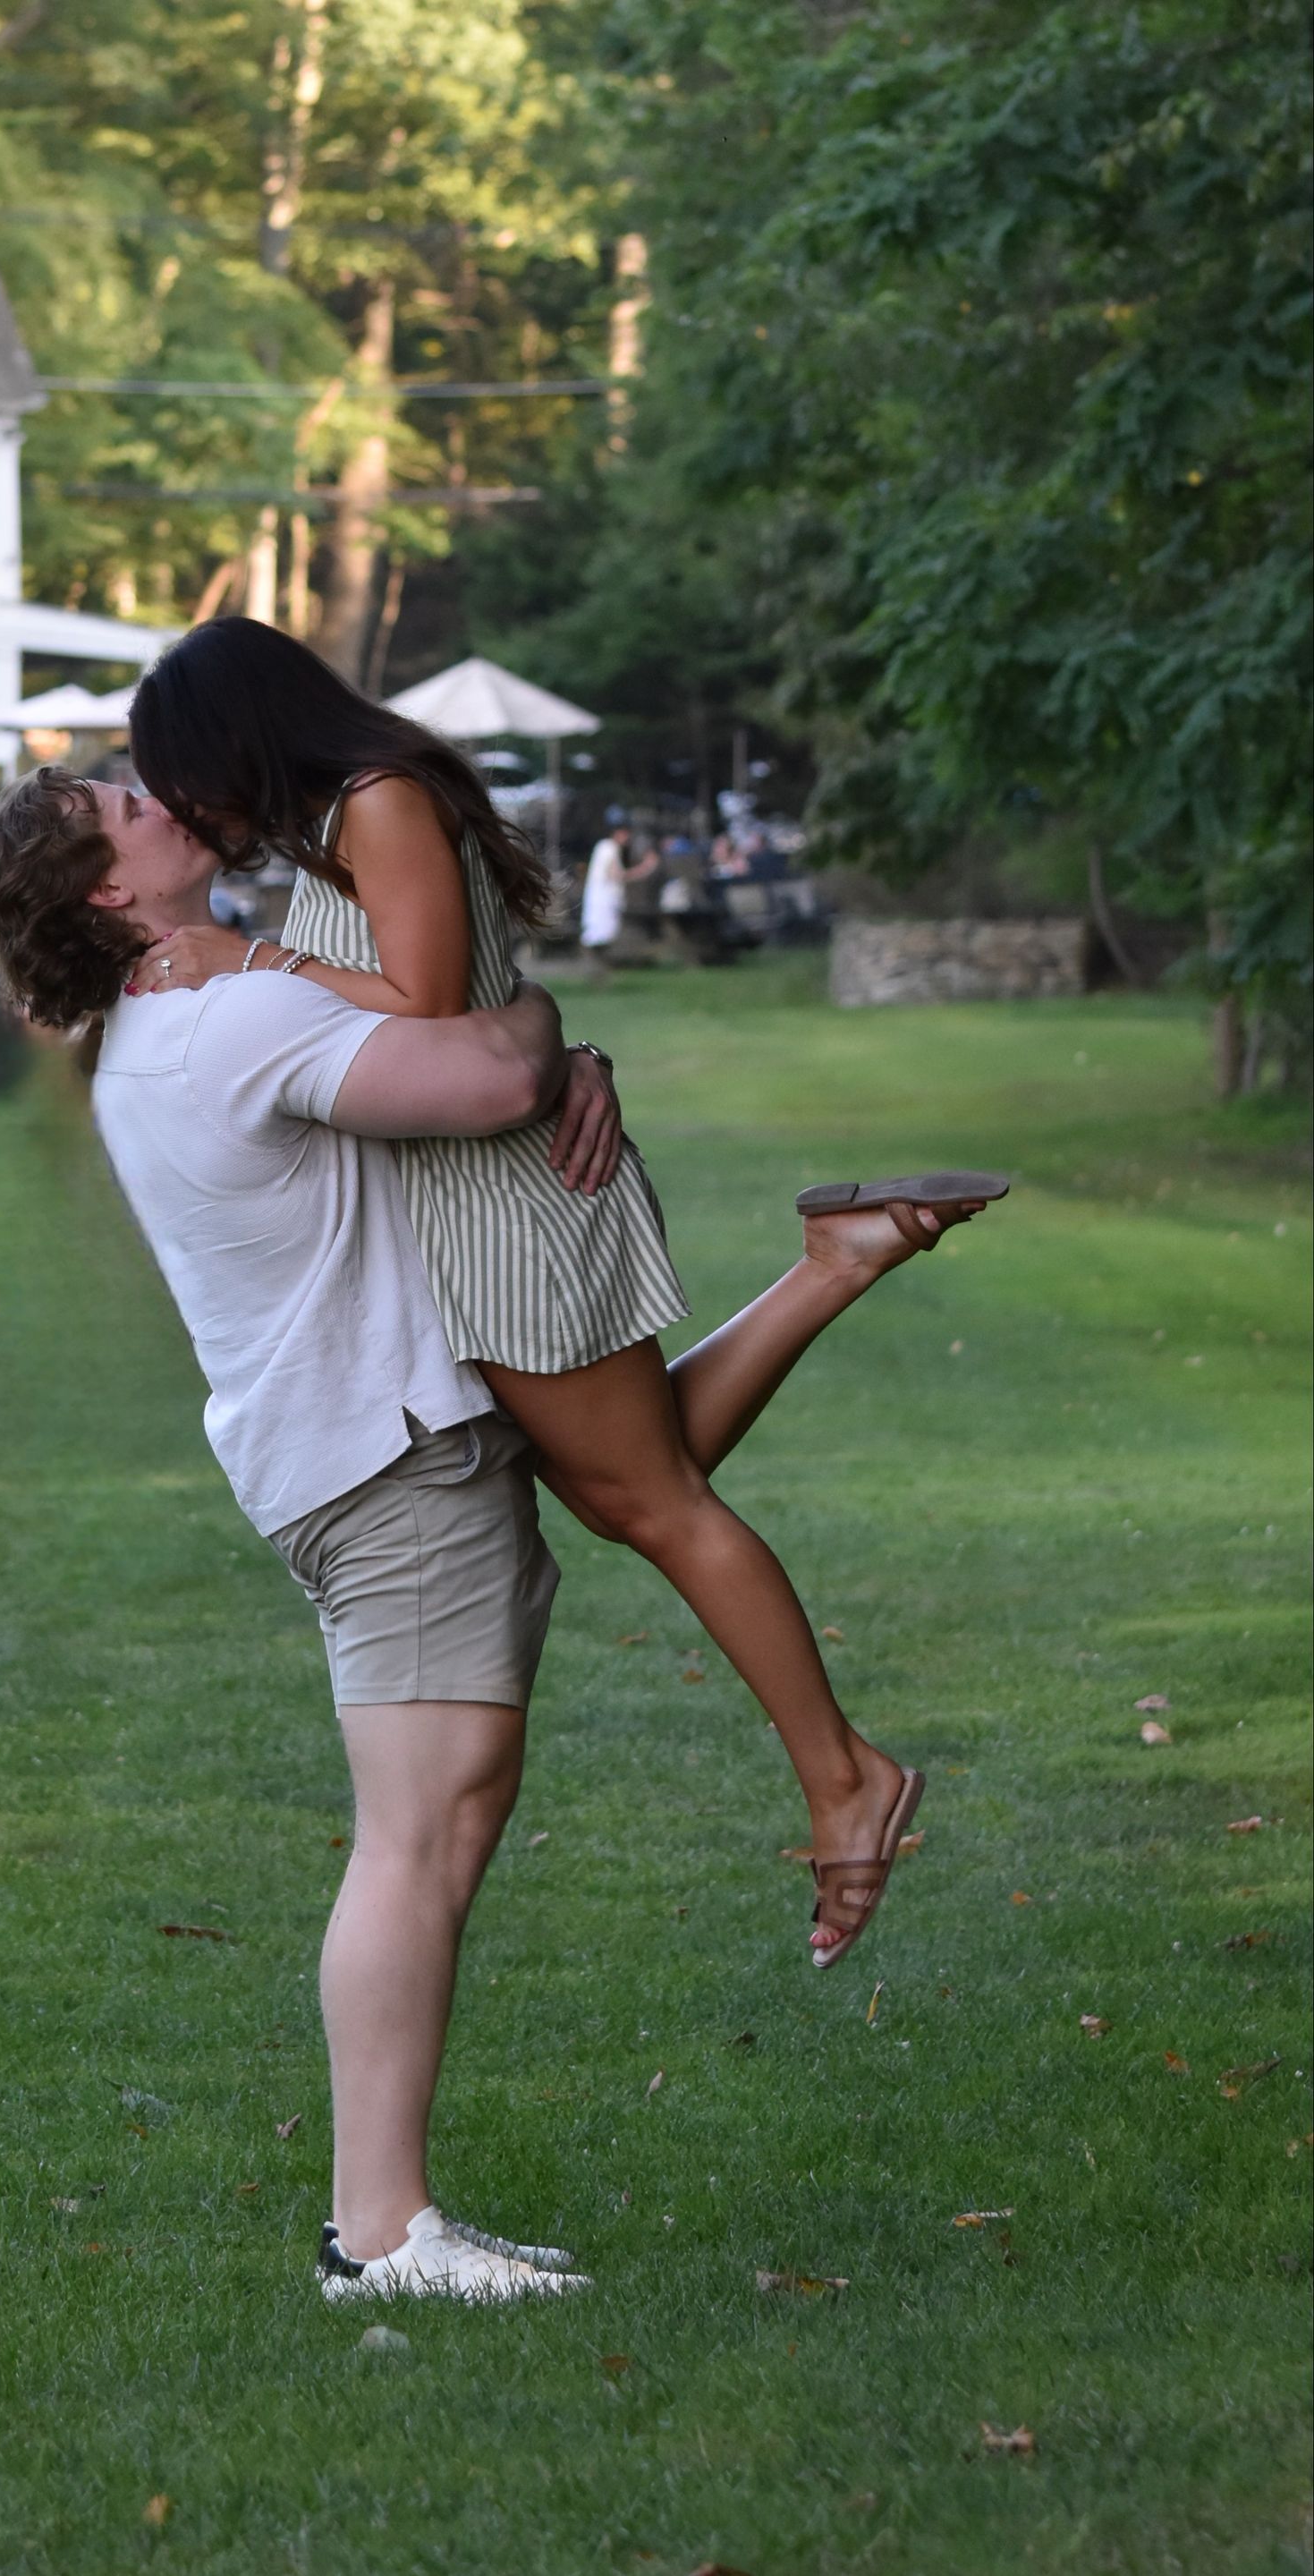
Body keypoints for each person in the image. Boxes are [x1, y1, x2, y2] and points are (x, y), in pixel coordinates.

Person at [0, 767, 1001, 2303]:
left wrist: (531, 1047)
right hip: (385, 1462)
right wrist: (553, 1040)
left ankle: (832, 1266)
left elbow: (457, 1072)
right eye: (120, 802)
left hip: (373, 1441)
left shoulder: (170, 1026)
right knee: (419, 1837)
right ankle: (378, 2234)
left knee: (626, 1484)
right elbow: (493, 1066)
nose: (156, 792)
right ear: (109, 890)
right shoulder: (223, 1016)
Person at [119, 619, 1006, 1965]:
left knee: (652, 1498)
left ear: (241, 732)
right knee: (627, 1481)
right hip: (470, 1200)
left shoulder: (382, 799)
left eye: (185, 775)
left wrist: (252, 960)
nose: (189, 808)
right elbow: (450, 997)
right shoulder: (348, 818)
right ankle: (840, 1260)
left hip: (504, 1206)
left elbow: (424, 1003)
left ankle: (845, 1776)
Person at [580, 814, 657, 982]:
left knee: (601, 938)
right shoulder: (609, 847)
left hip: (603, 900)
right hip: (603, 901)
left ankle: (600, 974)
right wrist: (646, 868)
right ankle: (597, 973)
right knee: (599, 938)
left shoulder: (605, 847)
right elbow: (615, 875)